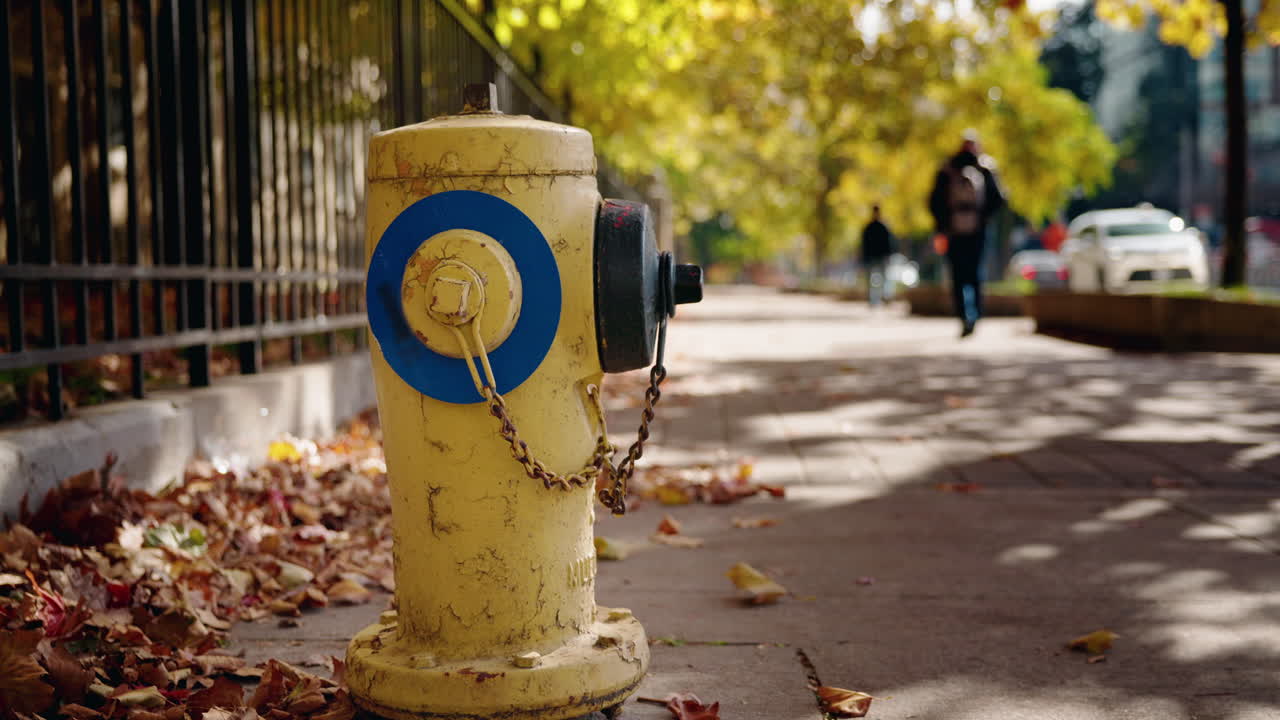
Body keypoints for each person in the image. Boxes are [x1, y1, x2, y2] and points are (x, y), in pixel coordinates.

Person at [928, 131, 1005, 337]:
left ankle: (964, 315)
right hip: (978, 231)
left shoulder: (947, 168)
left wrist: (943, 226)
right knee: (976, 273)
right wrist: (982, 218)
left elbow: (934, 201)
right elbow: (999, 198)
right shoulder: (986, 167)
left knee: (958, 275)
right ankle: (975, 314)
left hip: (953, 231)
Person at [859, 204, 896, 307]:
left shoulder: (880, 227)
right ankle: (874, 300)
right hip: (873, 257)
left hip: (880, 257)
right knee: (873, 280)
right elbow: (865, 244)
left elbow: (888, 243)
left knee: (883, 279)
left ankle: (884, 297)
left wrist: (888, 255)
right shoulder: (872, 227)